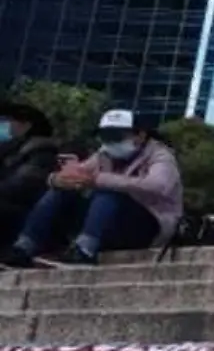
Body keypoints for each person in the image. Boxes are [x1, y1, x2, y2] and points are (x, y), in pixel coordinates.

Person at [2, 109, 182, 268]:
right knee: (63, 192)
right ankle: (25, 246)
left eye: (117, 136)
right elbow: (80, 173)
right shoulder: (104, 154)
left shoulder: (160, 155)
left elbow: (159, 186)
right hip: (110, 222)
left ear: (140, 136)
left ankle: (85, 250)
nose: (111, 142)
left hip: (147, 224)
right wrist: (58, 180)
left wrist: (101, 179)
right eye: (105, 137)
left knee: (108, 192)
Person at [0, 101, 59, 247]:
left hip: (22, 211)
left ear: (26, 125)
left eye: (7, 122)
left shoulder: (41, 150)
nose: (4, 126)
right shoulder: (8, 149)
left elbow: (22, 185)